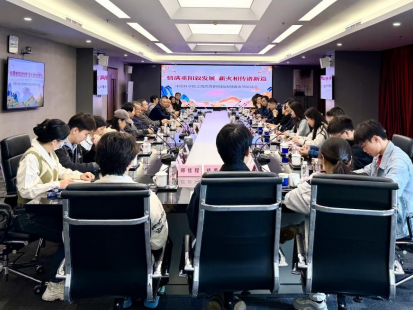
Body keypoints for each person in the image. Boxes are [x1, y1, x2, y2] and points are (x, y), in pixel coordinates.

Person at [13, 119, 94, 302]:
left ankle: (70, 270)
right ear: (55, 141)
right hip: (29, 215)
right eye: (62, 141)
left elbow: (60, 170)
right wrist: (57, 184)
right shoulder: (32, 157)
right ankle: (53, 286)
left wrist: (79, 175)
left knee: (75, 228)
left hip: (43, 208)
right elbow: (25, 190)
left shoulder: (49, 152)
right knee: (71, 234)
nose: (63, 144)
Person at [93, 131, 168, 308]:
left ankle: (122, 292)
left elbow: (68, 238)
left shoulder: (77, 197)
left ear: (97, 160)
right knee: (165, 241)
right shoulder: (145, 196)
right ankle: (151, 289)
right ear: (130, 162)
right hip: (137, 264)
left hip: (91, 265)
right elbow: (158, 241)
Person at [186, 123, 252, 310]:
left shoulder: (205, 186)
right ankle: (229, 295)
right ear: (248, 151)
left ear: (219, 151)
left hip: (211, 257)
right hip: (253, 257)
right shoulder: (265, 186)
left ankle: (219, 293)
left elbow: (194, 223)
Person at [284, 138, 353, 310]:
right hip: (359, 257)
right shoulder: (368, 185)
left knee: (305, 226)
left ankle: (316, 298)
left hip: (321, 255)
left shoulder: (315, 185)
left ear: (321, 159)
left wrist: (309, 180)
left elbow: (289, 200)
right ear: (350, 160)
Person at [353, 120, 413, 239]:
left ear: (376, 139)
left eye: (364, 146)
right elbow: (367, 170)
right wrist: (344, 175)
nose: (364, 150)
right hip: (389, 211)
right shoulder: (380, 154)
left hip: (401, 222)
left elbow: (388, 195)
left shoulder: (398, 162)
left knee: (354, 223)